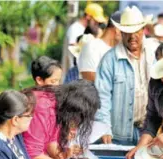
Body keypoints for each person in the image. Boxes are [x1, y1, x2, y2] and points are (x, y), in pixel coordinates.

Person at [94, 6, 156, 145]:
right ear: (121, 32)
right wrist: (104, 128)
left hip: (149, 131)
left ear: (143, 30)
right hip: (118, 133)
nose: (132, 36)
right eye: (128, 32)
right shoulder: (110, 59)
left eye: (136, 31)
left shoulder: (153, 54)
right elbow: (101, 96)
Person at [22, 80, 100, 159]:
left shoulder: (60, 107)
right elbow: (33, 154)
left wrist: (65, 151)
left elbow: (51, 145)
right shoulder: (43, 106)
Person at [63, 3, 106, 73]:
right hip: (75, 75)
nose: (97, 24)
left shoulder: (87, 32)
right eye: (95, 21)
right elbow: (74, 52)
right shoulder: (76, 29)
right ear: (88, 17)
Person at [78, 12, 122, 82]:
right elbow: (89, 78)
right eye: (127, 31)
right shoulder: (92, 47)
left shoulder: (120, 51)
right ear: (117, 30)